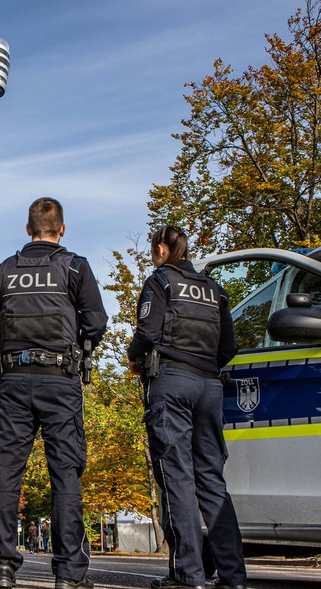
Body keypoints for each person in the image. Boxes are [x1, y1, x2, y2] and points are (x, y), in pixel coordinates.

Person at [0, 197, 108, 589]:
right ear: (62, 229)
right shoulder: (75, 267)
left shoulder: (5, 270)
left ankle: (4, 567)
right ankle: (68, 574)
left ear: (28, 229)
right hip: (60, 381)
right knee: (65, 475)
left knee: (7, 472)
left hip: (13, 381)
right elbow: (96, 322)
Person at [127, 225, 247, 589]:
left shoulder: (160, 282)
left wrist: (135, 358)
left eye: (153, 250)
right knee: (212, 479)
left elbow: (147, 333)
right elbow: (229, 347)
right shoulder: (214, 289)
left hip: (172, 383)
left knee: (176, 478)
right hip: (210, 387)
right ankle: (233, 577)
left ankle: (188, 575)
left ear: (161, 249)